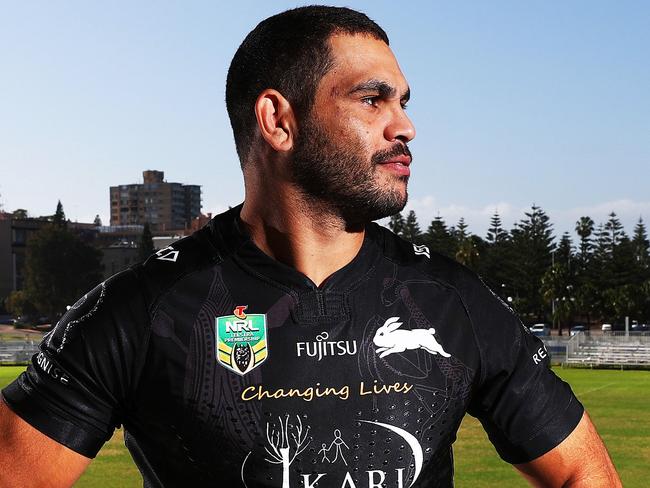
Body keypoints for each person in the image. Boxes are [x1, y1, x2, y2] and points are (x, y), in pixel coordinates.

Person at [0, 6, 621, 487]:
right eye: (371, 98)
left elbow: (580, 471)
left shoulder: (449, 302)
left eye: (403, 103)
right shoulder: (143, 310)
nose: (405, 126)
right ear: (278, 120)